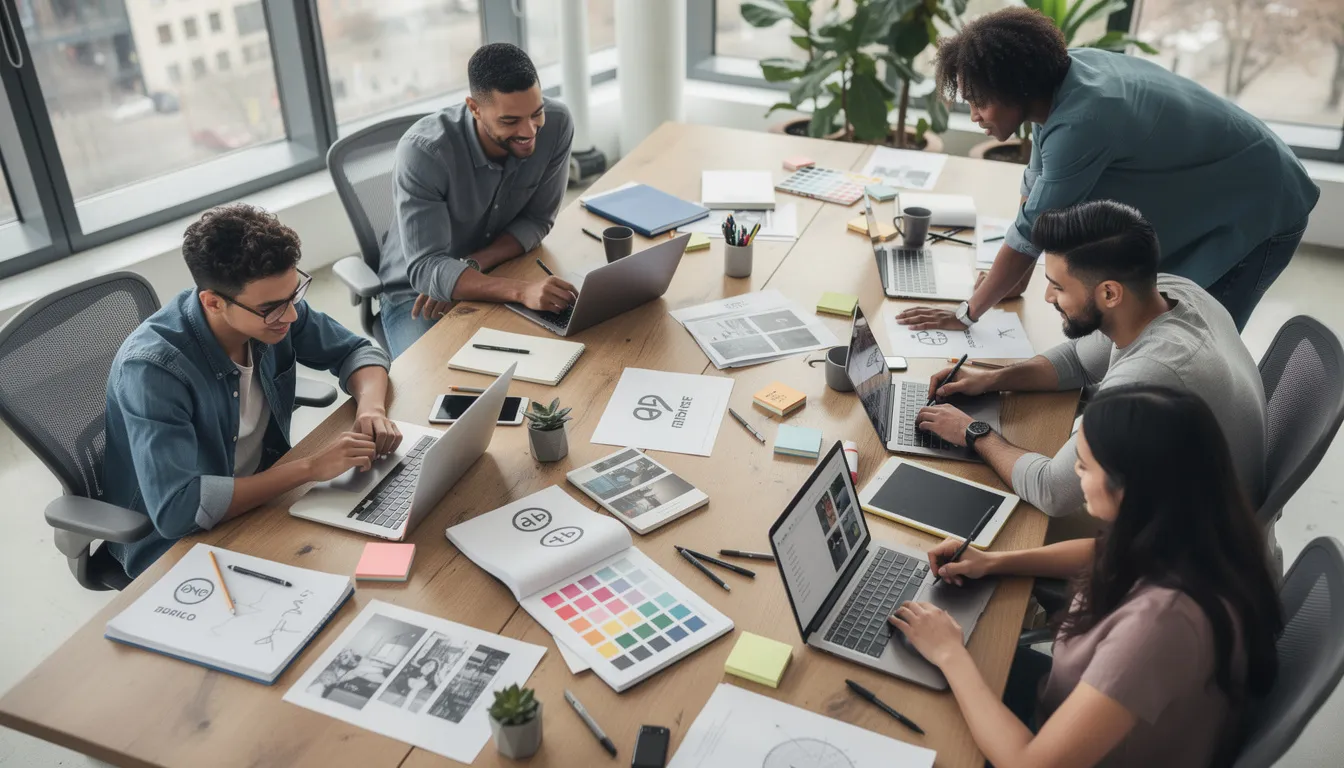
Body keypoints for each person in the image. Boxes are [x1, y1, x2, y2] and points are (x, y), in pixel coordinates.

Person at [892, 385, 1284, 768]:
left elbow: (1030, 762)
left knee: (907, 721)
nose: (1076, 473)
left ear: (1126, 488)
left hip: (1048, 744)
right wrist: (994, 561)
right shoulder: (1191, 525)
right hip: (1070, 698)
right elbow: (1104, 553)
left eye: (1083, 465)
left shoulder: (1160, 626)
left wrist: (950, 654)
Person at [895, 7, 1318, 333]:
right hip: (1228, 182)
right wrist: (1014, 281)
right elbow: (1034, 202)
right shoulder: (1054, 85)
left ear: (1017, 90)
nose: (974, 116)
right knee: (1151, 323)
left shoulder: (1084, 120)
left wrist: (966, 314)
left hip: (1265, 200)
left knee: (1191, 335)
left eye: (980, 101)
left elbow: (1031, 232)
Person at [913, 201, 1267, 518]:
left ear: (1109, 293)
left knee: (993, 525)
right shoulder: (1168, 290)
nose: (1048, 296)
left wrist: (973, 432)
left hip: (1194, 561)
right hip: (1182, 506)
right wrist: (992, 378)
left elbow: (1051, 491)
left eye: (1059, 286)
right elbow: (1078, 362)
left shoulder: (1150, 376)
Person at [104, 204, 402, 578]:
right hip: (182, 546)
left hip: (267, 497)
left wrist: (371, 409)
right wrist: (309, 468)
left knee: (388, 547)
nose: (291, 316)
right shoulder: (152, 370)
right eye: (273, 308)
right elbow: (178, 511)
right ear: (213, 302)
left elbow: (359, 351)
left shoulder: (275, 310)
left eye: (295, 294)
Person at [378, 42, 578, 358]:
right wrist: (520, 290)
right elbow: (427, 268)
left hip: (497, 266)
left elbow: (538, 220)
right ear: (474, 108)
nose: (529, 131)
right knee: (432, 391)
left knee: (561, 356)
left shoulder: (556, 125)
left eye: (535, 113)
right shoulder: (424, 153)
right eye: (510, 121)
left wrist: (472, 265)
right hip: (417, 294)